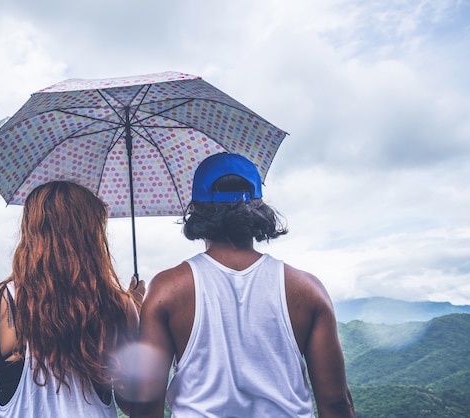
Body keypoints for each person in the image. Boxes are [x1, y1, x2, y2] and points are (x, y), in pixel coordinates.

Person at [131, 153, 355, 418]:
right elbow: (336, 404)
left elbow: (147, 405)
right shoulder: (308, 290)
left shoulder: (165, 291)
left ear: (195, 209)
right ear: (259, 206)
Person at [0, 181, 145, 418]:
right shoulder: (118, 306)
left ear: (31, 231)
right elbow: (133, 404)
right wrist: (135, 310)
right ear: (91, 237)